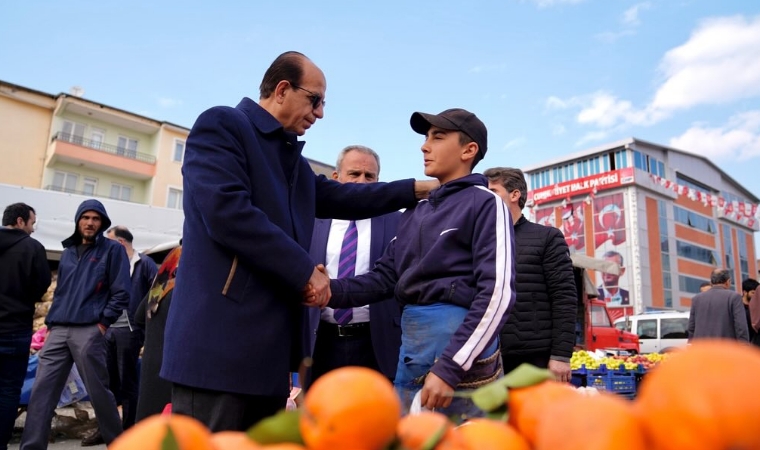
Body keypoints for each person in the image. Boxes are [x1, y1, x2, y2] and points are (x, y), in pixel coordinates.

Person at [160, 51, 436, 432]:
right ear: (283, 90)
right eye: (315, 100)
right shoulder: (223, 125)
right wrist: (305, 270)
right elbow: (228, 213)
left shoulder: (290, 161)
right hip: (219, 348)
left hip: (267, 357)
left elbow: (345, 197)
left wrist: (420, 189)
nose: (320, 113)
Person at [310, 108, 515, 419]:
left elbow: (497, 294)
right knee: (411, 438)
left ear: (468, 150)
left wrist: (450, 367)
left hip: (460, 356)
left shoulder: (486, 203)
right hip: (413, 351)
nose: (424, 146)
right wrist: (328, 290)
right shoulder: (415, 213)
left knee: (467, 439)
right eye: (425, 138)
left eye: (438, 137)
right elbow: (383, 277)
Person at [20, 199, 130, 450]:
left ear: (102, 223)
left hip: (89, 330)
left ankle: (119, 444)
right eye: (86, 217)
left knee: (99, 392)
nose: (90, 222)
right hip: (58, 330)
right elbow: (61, 292)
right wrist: (50, 326)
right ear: (78, 220)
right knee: (41, 392)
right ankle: (31, 447)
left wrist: (102, 325)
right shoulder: (68, 252)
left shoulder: (112, 250)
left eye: (96, 218)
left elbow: (122, 293)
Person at [304, 145, 402, 388]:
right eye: (354, 174)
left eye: (370, 177)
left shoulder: (399, 222)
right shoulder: (310, 222)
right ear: (336, 177)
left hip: (378, 344)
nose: (362, 182)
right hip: (320, 343)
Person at [483, 167, 577, 383]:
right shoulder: (480, 241)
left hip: (534, 359)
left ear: (514, 194)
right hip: (486, 357)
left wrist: (561, 355)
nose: (485, 199)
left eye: (493, 191)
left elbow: (564, 298)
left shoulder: (546, 238)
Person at [80, 226, 158, 445]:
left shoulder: (145, 264)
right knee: (105, 382)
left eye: (109, 241)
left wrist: (144, 321)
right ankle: (106, 429)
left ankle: (127, 430)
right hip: (107, 329)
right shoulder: (110, 263)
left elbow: (156, 294)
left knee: (127, 382)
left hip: (130, 330)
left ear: (121, 243)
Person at [0, 203, 51, 450]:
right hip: (14, 331)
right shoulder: (33, 248)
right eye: (32, 223)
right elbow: (40, 287)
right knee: (9, 392)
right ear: (20, 222)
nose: (32, 229)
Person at [135, 243, 181, 421]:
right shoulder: (190, 290)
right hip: (173, 371)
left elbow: (139, 316)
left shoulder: (161, 286)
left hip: (152, 366)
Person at [687, 268, 749, 342]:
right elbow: (740, 326)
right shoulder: (734, 297)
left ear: (711, 282)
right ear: (728, 282)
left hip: (701, 348)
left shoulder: (696, 299)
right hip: (725, 348)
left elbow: (691, 327)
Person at [741, 278, 759, 343]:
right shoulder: (737, 307)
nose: (755, 296)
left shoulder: (757, 308)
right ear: (745, 292)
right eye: (753, 293)